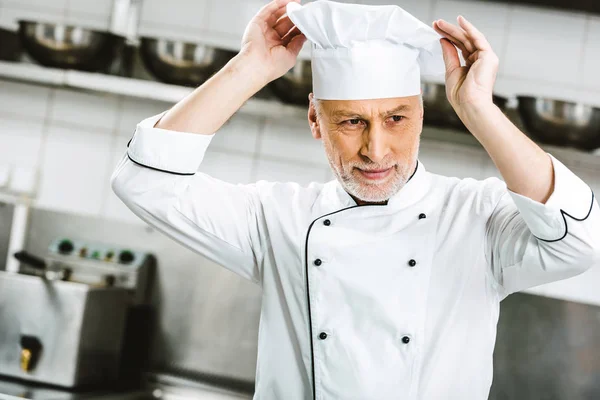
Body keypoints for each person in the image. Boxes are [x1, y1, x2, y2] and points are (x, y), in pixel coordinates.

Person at [111, 0, 600, 398]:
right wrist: (250, 68)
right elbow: (144, 183)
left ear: (422, 118)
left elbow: (579, 241)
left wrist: (479, 110)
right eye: (351, 122)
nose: (376, 150)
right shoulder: (277, 219)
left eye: (396, 119)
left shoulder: (476, 218)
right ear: (314, 121)